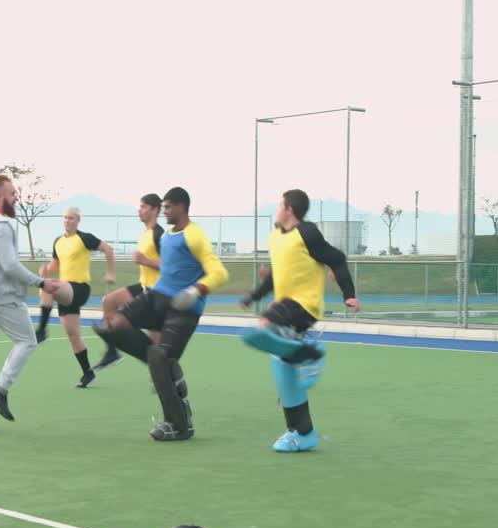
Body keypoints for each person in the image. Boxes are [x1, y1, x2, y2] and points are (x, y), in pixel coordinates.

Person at [93, 187, 228, 441]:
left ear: (182, 207)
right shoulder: (167, 238)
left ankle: (178, 425)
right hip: (156, 297)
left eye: (168, 207)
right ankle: (170, 373)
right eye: (163, 207)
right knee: (114, 324)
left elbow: (219, 273)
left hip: (184, 307)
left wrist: (196, 290)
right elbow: (168, 271)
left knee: (158, 357)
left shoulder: (195, 235)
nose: (164, 211)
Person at [239, 188, 358, 452]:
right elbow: (274, 277)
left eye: (279, 205)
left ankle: (312, 353)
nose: (277, 210)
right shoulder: (275, 238)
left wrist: (349, 295)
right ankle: (302, 433)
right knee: (281, 365)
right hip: (285, 306)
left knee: (260, 329)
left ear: (290, 209)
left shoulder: (307, 232)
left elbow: (335, 258)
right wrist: (253, 295)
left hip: (304, 305)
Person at [0, 173, 62, 431]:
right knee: (27, 341)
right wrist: (41, 283)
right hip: (0, 297)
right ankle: (0, 390)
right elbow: (9, 265)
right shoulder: (1, 226)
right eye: (12, 193)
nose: (16, 198)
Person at [34, 206, 116, 387]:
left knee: (46, 287)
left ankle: (41, 330)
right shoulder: (58, 241)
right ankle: (88, 373)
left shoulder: (85, 238)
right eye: (65, 218)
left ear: (78, 220)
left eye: (71, 218)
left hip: (79, 289)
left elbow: (108, 249)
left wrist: (110, 272)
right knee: (73, 335)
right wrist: (47, 269)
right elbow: (55, 266)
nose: (67, 221)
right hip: (65, 291)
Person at [92, 193, 165, 372]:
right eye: (139, 206)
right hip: (142, 286)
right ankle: (112, 352)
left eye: (143, 207)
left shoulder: (159, 234)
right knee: (108, 301)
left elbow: (171, 267)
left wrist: (145, 261)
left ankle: (165, 377)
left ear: (155, 210)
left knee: (155, 348)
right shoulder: (145, 233)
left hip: (157, 294)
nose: (139, 210)